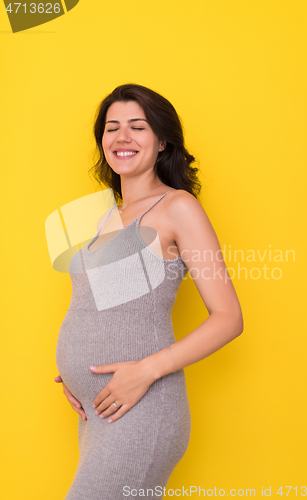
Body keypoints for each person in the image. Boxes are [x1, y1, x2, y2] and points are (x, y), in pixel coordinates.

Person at [54, 83, 243, 499]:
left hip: (142, 407)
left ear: (161, 142)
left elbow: (229, 318)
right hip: (98, 413)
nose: (121, 138)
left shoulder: (178, 208)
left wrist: (145, 371)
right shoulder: (102, 215)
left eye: (137, 127)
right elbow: (93, 307)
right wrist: (72, 372)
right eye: (111, 127)